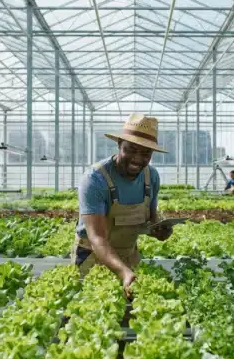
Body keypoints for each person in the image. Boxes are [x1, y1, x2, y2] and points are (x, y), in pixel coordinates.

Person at [74, 114, 173, 296]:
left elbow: (151, 219)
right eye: (131, 150)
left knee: (131, 314)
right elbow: (97, 238)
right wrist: (123, 272)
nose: (137, 159)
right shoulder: (95, 180)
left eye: (145, 153)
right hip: (93, 256)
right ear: (119, 144)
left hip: (128, 254)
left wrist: (159, 230)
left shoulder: (151, 177)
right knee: (89, 309)